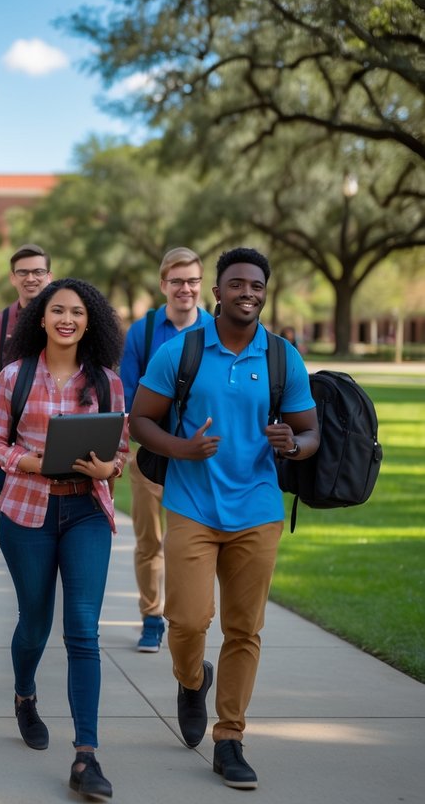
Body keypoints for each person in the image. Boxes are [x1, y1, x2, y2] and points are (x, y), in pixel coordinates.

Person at [130, 248, 318, 790]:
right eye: (236, 284)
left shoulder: (283, 358)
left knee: (245, 629)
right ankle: (192, 682)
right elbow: (142, 419)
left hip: (257, 509)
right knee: (187, 621)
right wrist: (181, 450)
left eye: (256, 285)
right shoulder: (181, 352)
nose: (247, 293)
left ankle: (230, 737)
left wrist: (295, 444)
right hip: (192, 506)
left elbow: (310, 432)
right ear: (217, 292)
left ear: (265, 291)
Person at [0, 278, 127, 801]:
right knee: (36, 621)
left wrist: (110, 466)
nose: (67, 319)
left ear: (91, 322)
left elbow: (122, 452)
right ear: (40, 318)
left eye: (78, 313)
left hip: (87, 509)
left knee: (83, 629)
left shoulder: (108, 382)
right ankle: (24, 695)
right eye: (58, 311)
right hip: (28, 511)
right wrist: (29, 461)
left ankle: (86, 755)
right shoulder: (14, 377)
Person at [118, 247, 213, 654]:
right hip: (152, 455)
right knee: (149, 540)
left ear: (202, 284)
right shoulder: (144, 330)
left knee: (191, 542)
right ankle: (151, 616)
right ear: (163, 285)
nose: (185, 289)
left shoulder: (217, 328)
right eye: (177, 281)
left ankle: (184, 617)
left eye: (192, 281)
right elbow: (124, 392)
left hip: (199, 461)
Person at [0, 244, 52, 376]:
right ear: (12, 278)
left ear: (49, 277)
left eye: (38, 272)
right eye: (23, 272)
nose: (30, 278)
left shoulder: (63, 322)